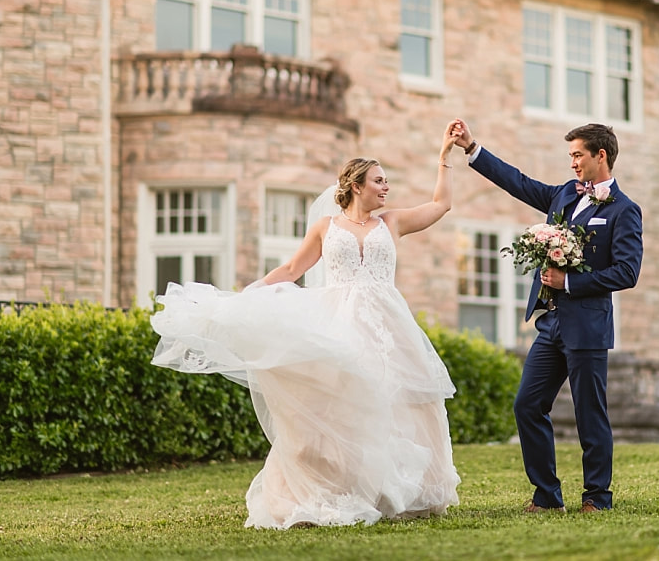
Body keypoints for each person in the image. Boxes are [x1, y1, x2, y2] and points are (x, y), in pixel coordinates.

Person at [150, 121, 462, 529]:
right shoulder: (325, 228)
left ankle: (403, 487)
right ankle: (335, 486)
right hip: (340, 318)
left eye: (387, 182)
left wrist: (444, 157)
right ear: (356, 185)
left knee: (404, 400)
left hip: (388, 321)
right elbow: (294, 267)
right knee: (339, 404)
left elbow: (441, 206)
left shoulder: (392, 223)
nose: (386, 189)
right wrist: (253, 292)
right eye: (379, 181)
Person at [450, 119, 643, 514]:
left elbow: (627, 272)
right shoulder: (563, 196)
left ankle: (597, 498)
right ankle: (547, 496)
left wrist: (569, 282)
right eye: (570, 155)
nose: (572, 163)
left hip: (588, 327)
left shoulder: (625, 211)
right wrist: (472, 149)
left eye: (577, 155)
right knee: (527, 404)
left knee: (591, 415)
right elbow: (518, 182)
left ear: (600, 155)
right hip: (551, 324)